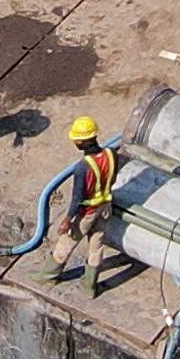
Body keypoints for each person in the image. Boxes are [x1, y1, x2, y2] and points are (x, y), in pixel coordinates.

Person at [47, 114, 120, 288]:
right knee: (97, 245)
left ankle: (48, 276)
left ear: (80, 142)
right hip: (106, 207)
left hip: (87, 212)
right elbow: (113, 177)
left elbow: (77, 198)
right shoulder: (111, 154)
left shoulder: (82, 167)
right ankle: (90, 286)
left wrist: (67, 219)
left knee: (68, 242)